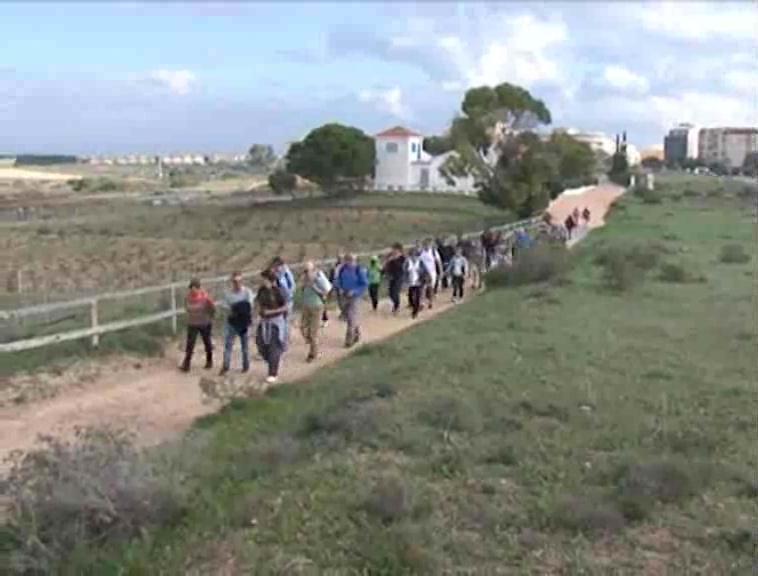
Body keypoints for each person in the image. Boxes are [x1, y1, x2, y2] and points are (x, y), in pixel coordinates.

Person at [254, 269, 289, 384]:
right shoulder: (262, 290)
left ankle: (272, 373)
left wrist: (272, 311)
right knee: (260, 343)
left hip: (275, 321)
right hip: (263, 321)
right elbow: (258, 302)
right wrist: (258, 311)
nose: (262, 281)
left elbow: (285, 307)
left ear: (269, 280)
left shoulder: (279, 291)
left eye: (264, 279)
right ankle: (273, 361)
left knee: (274, 346)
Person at [220, 271, 254, 375]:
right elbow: (225, 307)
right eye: (235, 281)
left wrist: (235, 309)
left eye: (239, 281)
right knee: (228, 345)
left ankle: (245, 365)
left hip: (243, 323)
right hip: (232, 323)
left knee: (245, 346)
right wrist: (239, 309)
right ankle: (225, 366)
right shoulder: (228, 293)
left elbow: (249, 306)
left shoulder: (247, 292)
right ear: (232, 282)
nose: (237, 283)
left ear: (242, 281)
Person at [179, 278, 216, 372]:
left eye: (194, 288)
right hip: (192, 323)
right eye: (191, 288)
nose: (192, 290)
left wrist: (210, 319)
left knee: (207, 342)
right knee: (190, 344)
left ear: (198, 288)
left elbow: (212, 309)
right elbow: (186, 307)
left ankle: (209, 360)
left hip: (204, 323)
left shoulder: (205, 297)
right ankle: (186, 364)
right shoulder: (187, 298)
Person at [334, 253, 369, 348]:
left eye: (351, 261)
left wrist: (355, 291)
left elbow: (364, 284)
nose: (349, 263)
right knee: (347, 315)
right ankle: (356, 332)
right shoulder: (342, 269)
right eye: (347, 260)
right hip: (344, 295)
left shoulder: (359, 270)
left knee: (351, 317)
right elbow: (337, 281)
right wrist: (339, 288)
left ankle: (349, 340)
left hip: (355, 297)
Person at [300, 261, 331, 362]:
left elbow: (326, 290)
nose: (306, 273)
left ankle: (313, 353)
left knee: (313, 333)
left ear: (313, 269)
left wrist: (314, 285)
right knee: (303, 328)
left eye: (307, 270)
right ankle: (314, 345)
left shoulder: (318, 277)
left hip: (316, 306)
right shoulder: (304, 278)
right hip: (306, 306)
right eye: (304, 270)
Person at [383, 243, 406, 315]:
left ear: (398, 250)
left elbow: (402, 267)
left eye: (394, 249)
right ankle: (395, 303)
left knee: (395, 292)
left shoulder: (402, 258)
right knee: (390, 293)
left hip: (399, 276)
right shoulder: (390, 257)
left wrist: (394, 260)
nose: (393, 250)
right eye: (392, 249)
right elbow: (386, 266)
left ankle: (397, 306)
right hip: (392, 276)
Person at [419, 238, 442, 309]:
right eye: (424, 245)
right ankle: (422, 303)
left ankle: (430, 302)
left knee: (430, 288)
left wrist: (441, 272)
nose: (426, 246)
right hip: (423, 273)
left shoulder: (433, 252)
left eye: (427, 245)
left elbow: (438, 262)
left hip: (432, 272)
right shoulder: (421, 253)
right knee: (422, 288)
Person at [404, 248, 427, 319]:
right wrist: (405, 281)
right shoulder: (408, 262)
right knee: (410, 297)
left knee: (417, 297)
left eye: (415, 255)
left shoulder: (420, 262)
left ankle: (415, 312)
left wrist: (421, 272)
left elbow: (425, 270)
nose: (413, 257)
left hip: (418, 282)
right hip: (410, 282)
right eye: (412, 255)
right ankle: (413, 306)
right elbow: (404, 271)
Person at [328, 252, 346, 322]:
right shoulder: (335, 266)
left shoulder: (345, 266)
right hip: (337, 284)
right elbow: (332, 275)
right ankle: (343, 312)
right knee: (340, 300)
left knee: (343, 299)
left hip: (343, 284)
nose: (340, 259)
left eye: (341, 258)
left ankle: (344, 313)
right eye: (339, 258)